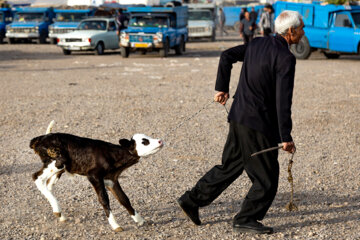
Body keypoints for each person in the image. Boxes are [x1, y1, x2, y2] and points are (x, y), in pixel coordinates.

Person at [177, 10, 304, 234]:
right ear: (291, 31)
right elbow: (283, 101)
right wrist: (286, 137)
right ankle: (246, 218)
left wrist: (222, 87)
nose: (304, 32)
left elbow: (226, 55)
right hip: (257, 124)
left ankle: (191, 200)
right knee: (267, 178)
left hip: (238, 117)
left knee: (230, 166)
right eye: (301, 28)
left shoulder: (256, 44)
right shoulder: (286, 58)